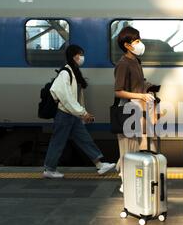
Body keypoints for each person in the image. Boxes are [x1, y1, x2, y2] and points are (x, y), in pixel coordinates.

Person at [43, 45, 115, 178]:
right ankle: (49, 169)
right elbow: (65, 96)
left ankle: (100, 164)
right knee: (58, 142)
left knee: (84, 139)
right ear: (74, 56)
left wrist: (82, 112)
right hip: (64, 114)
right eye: (80, 54)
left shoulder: (73, 71)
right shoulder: (65, 72)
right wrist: (83, 113)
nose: (82, 57)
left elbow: (74, 98)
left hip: (72, 115)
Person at [114, 26, 160, 193]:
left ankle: (132, 177)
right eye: (137, 41)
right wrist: (141, 96)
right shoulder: (123, 64)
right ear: (127, 45)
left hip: (140, 110)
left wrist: (148, 87)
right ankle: (125, 182)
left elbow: (137, 84)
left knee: (142, 145)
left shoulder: (136, 61)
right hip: (129, 111)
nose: (140, 44)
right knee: (128, 148)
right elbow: (118, 91)